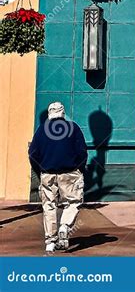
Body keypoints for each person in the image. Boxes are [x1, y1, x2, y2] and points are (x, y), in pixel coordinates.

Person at [28, 102, 87, 253]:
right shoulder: (73, 128)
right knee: (73, 202)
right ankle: (65, 226)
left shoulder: (42, 130)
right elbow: (82, 152)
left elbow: (33, 153)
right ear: (63, 113)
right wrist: (79, 168)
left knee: (49, 206)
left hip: (47, 173)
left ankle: (50, 241)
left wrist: (40, 169)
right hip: (70, 172)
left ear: (49, 113)